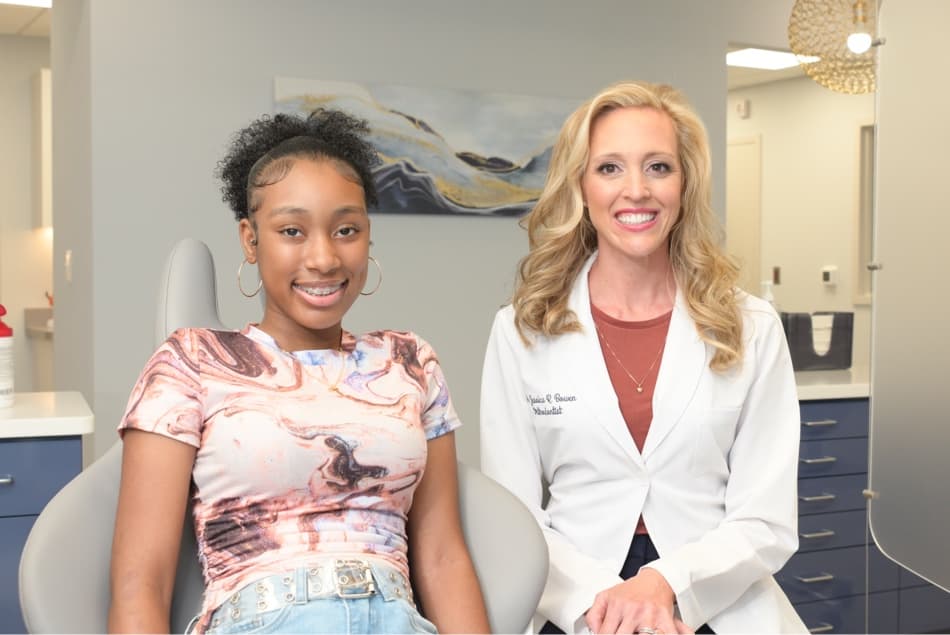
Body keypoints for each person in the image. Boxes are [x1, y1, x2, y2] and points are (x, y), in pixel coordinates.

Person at [109, 109, 490, 635]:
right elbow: (140, 580)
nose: (324, 257)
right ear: (250, 239)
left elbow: (445, 558)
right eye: (292, 230)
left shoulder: (409, 362)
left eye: (346, 230)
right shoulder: (190, 362)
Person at [479, 81, 807, 635]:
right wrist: (605, 604)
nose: (636, 190)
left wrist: (664, 586)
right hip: (576, 602)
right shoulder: (521, 330)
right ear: (580, 185)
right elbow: (513, 518)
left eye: (658, 167)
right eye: (609, 168)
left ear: (685, 184)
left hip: (714, 599)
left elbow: (766, 519)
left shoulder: (751, 327)